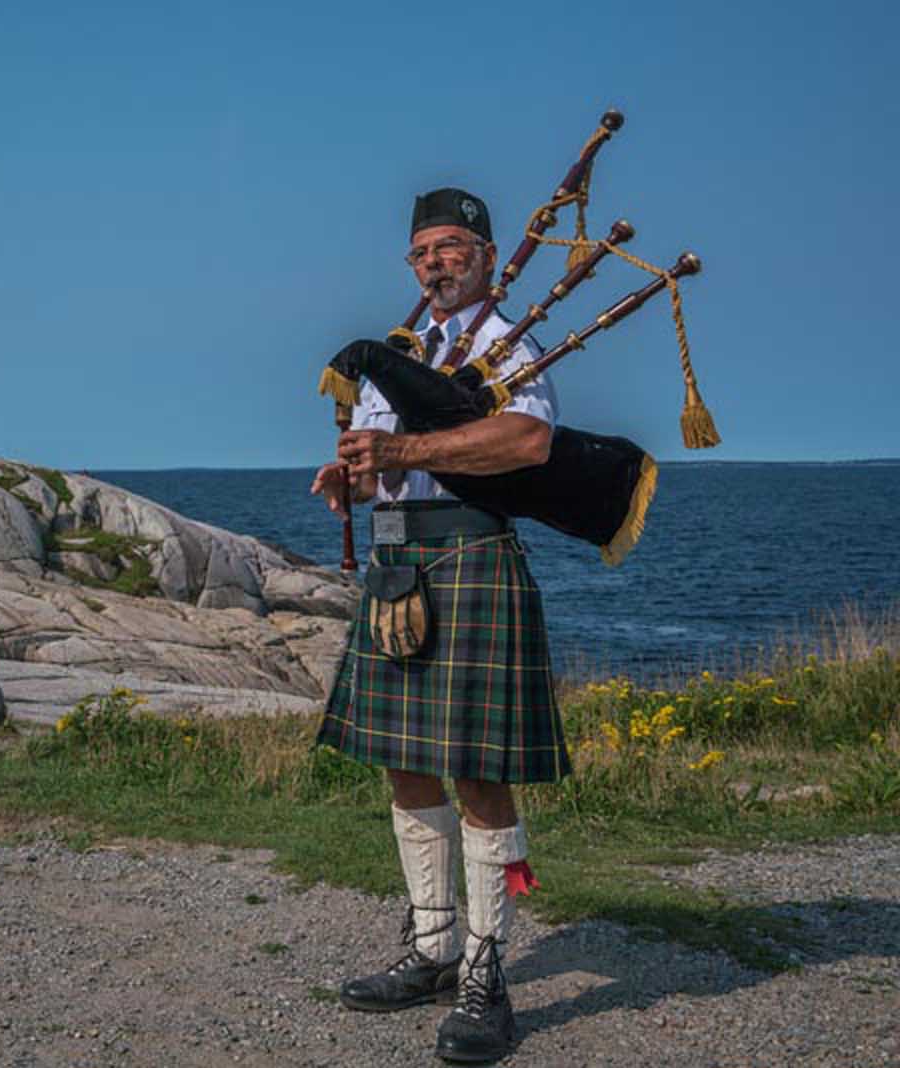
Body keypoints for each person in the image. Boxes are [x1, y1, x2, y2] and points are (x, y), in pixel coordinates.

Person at [310, 188, 569, 1064]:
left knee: (478, 773)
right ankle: (433, 947)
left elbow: (526, 443)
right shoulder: (399, 355)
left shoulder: (508, 343)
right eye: (423, 252)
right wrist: (350, 479)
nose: (436, 263)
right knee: (404, 761)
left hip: (470, 563)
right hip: (396, 565)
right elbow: (380, 468)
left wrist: (405, 452)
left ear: (488, 257)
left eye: (453, 247)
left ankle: (486, 973)